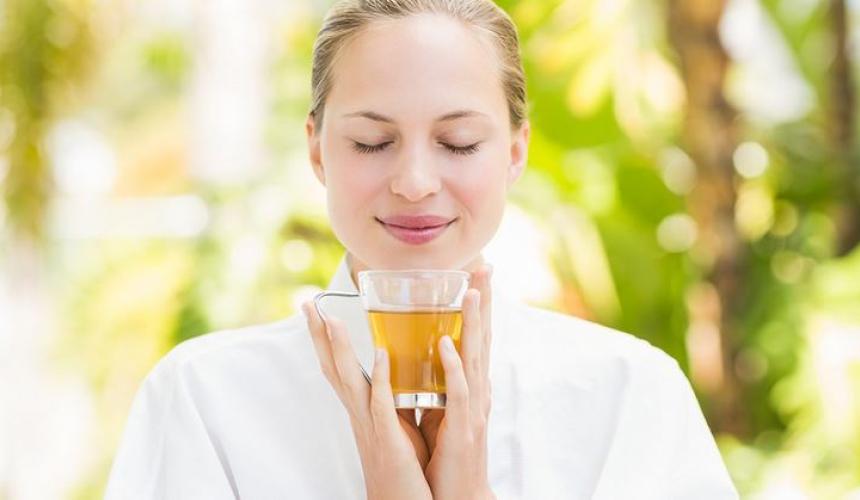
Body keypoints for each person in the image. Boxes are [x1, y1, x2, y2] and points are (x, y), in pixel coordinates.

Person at [105, 0, 739, 498]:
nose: (414, 182)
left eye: (458, 143)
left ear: (514, 151)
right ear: (318, 150)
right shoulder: (205, 398)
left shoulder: (628, 394)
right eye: (372, 142)